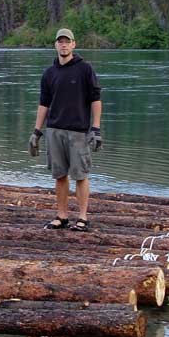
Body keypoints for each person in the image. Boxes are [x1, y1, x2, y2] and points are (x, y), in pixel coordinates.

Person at [29, 28, 102, 231]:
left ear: (73, 44)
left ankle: (82, 218)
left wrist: (95, 128)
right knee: (59, 175)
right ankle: (62, 216)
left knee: (80, 175)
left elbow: (95, 99)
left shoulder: (85, 69)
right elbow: (43, 103)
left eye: (66, 41)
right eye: (60, 41)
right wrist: (36, 131)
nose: (63, 45)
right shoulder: (49, 73)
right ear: (55, 45)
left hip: (78, 131)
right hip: (54, 130)